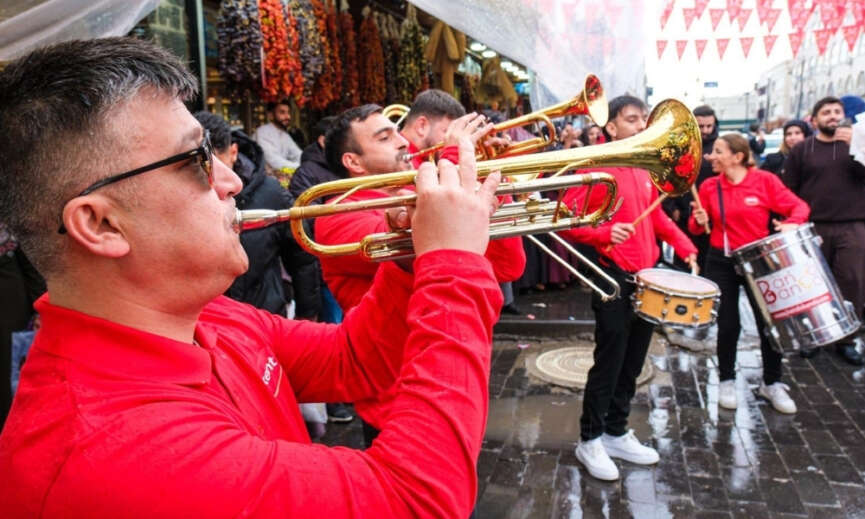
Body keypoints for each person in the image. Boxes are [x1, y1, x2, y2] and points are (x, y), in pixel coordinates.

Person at [0, 37, 505, 518]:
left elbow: (356, 361)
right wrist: (454, 266)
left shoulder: (201, 312)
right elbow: (419, 501)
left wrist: (410, 260)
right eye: (194, 161)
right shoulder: (111, 449)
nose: (233, 181)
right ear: (101, 224)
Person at [318, 103, 526, 446]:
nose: (402, 141)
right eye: (385, 137)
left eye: (398, 132)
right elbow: (416, 243)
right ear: (352, 162)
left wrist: (490, 179)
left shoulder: (417, 193)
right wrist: (454, 158)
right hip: (397, 393)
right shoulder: (334, 212)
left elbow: (507, 266)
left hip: (454, 367)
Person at [560, 95, 698, 481]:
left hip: (647, 277)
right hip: (613, 279)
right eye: (632, 119)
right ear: (611, 127)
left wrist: (686, 247)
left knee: (635, 361)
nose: (641, 126)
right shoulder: (596, 166)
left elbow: (656, 220)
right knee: (610, 362)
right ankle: (589, 440)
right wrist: (604, 232)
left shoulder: (643, 167)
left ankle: (616, 431)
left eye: (644, 119)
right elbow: (567, 222)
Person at [689, 134, 810, 414]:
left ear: (738, 157)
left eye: (718, 152)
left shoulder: (764, 181)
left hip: (759, 260)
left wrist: (792, 224)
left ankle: (772, 382)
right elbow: (698, 230)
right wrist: (697, 222)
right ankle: (727, 380)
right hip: (721, 260)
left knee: (769, 323)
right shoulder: (709, 186)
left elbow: (799, 207)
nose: (711, 156)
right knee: (729, 324)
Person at [193, 111, 320, 320]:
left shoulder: (271, 192)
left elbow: (302, 259)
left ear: (234, 152)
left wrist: (308, 315)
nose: (216, 179)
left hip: (266, 314)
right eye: (201, 167)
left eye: (219, 164)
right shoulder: (184, 196)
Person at [784, 96, 865, 366]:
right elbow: (790, 190)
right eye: (826, 112)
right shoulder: (802, 150)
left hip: (852, 225)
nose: (832, 116)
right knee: (812, 284)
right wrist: (791, 222)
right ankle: (814, 335)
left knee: (851, 281)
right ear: (815, 119)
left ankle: (847, 339)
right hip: (813, 225)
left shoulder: (857, 143)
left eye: (837, 112)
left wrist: (856, 145)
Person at [663, 104, 719, 270]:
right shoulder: (679, 146)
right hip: (684, 213)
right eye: (701, 126)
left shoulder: (719, 146)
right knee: (684, 262)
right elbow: (667, 178)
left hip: (712, 215)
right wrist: (671, 207)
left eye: (710, 126)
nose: (706, 130)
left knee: (709, 263)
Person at [288, 116, 338, 201]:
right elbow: (308, 211)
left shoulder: (350, 163)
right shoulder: (306, 174)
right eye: (343, 139)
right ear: (323, 141)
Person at [255, 98, 303, 172]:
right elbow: (274, 161)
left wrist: (308, 163)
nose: (288, 117)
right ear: (270, 115)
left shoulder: (284, 134)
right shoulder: (262, 132)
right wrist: (300, 167)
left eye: (288, 112)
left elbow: (297, 154)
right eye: (282, 112)